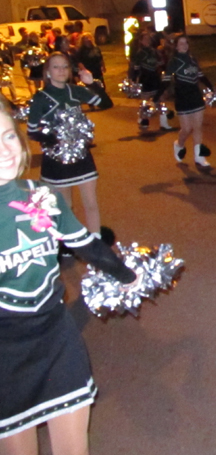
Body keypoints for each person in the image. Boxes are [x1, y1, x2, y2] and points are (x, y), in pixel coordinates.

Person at [0, 100, 135, 455]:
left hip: (56, 337)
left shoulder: (41, 196)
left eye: (8, 136)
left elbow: (85, 244)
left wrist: (126, 274)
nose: (5, 151)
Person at [26, 54, 113, 236]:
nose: (61, 71)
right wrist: (56, 139)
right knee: (66, 207)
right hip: (58, 160)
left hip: (82, 156)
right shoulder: (41, 97)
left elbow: (106, 104)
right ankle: (67, 243)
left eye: (65, 66)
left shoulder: (75, 90)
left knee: (91, 204)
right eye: (56, 67)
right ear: (48, 72)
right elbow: (32, 131)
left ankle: (96, 246)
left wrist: (92, 84)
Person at [154, 35, 213, 168]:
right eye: (181, 43)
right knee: (186, 129)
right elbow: (167, 80)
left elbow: (200, 76)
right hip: (182, 97)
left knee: (197, 127)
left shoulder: (193, 59)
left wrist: (211, 87)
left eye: (186, 43)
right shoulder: (173, 61)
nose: (184, 45)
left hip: (196, 96)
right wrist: (156, 97)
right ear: (176, 46)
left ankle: (199, 157)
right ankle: (178, 144)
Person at [129, 33, 171, 131]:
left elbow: (161, 64)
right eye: (145, 39)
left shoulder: (154, 51)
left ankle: (164, 123)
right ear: (141, 41)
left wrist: (165, 71)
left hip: (156, 79)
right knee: (145, 103)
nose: (147, 41)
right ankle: (143, 121)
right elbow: (136, 68)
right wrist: (134, 81)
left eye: (149, 39)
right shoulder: (139, 53)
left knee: (160, 101)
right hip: (145, 80)